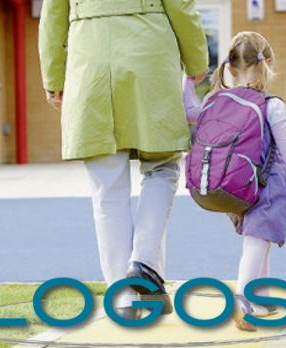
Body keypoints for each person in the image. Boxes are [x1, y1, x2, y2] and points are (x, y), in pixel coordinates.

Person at [38, 0, 209, 320]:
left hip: (90, 60)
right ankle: (144, 263)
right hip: (149, 55)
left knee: (107, 187)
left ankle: (124, 299)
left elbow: (52, 17)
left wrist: (53, 77)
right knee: (162, 167)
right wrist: (197, 58)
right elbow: (181, 6)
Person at [185, 31, 286, 332]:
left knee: (260, 240)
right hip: (266, 186)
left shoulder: (215, 99)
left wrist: (188, 82)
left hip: (235, 185)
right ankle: (242, 300)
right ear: (268, 63)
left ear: (230, 69)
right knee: (256, 243)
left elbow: (189, 112)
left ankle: (261, 299)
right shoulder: (271, 105)